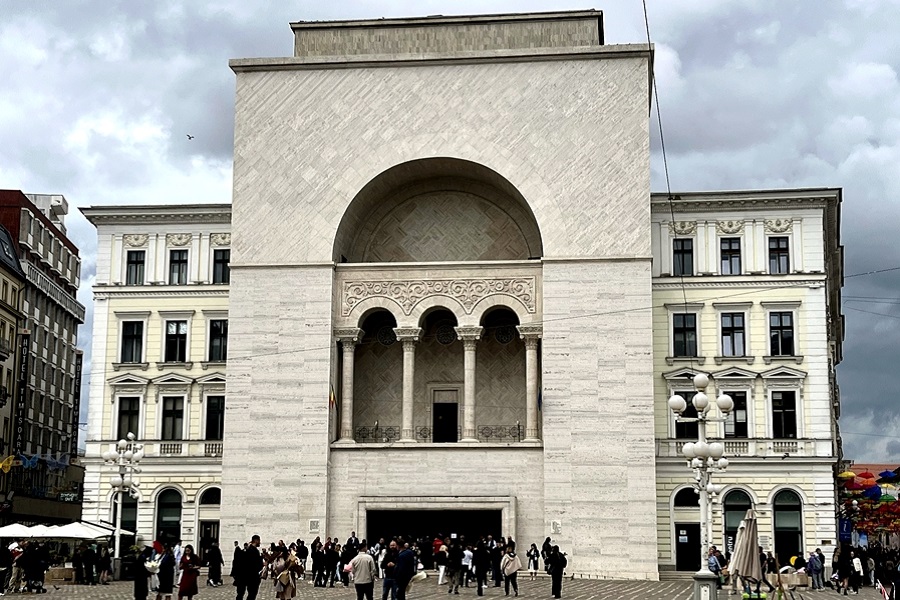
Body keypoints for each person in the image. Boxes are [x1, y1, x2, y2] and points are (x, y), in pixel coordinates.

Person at [238, 535, 264, 600]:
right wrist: (262, 563)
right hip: (252, 576)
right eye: (259, 541)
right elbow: (256, 564)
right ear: (256, 541)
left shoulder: (248, 549)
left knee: (250, 594)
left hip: (247, 576)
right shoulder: (254, 551)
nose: (259, 543)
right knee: (252, 595)